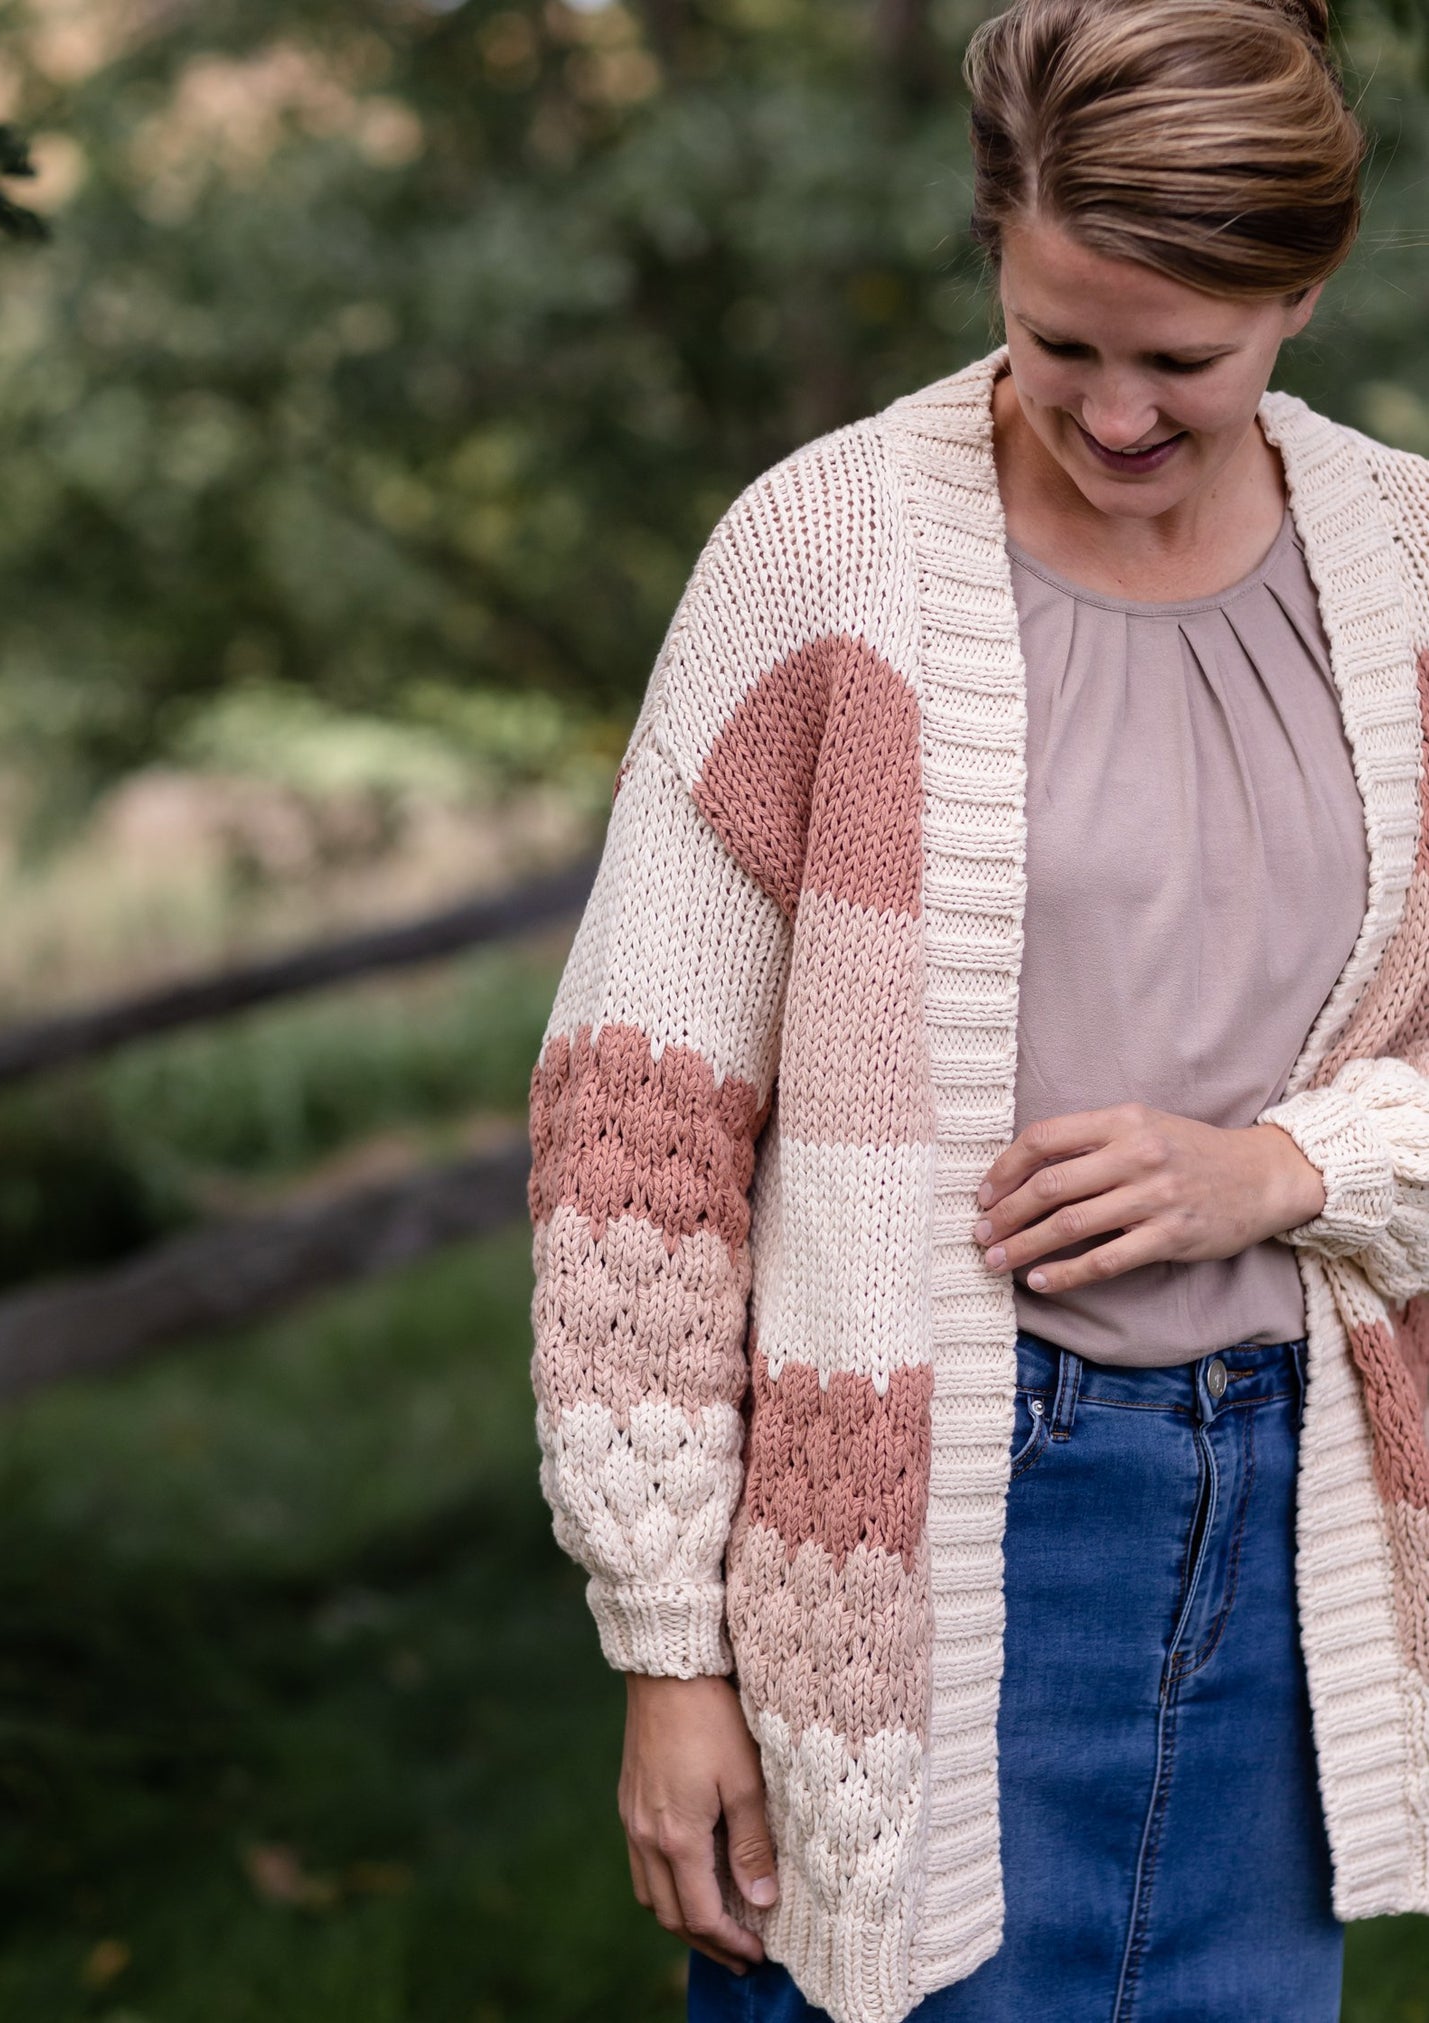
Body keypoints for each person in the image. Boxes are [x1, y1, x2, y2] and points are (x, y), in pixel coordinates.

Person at [525, 2, 1429, 2018]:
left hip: (1293, 1537)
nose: (1112, 415)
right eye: (1057, 342)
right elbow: (636, 1126)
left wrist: (1285, 1167)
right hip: (909, 1548)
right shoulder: (821, 556)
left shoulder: (1415, 570)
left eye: (1181, 358)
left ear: (1306, 287)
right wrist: (669, 1646)